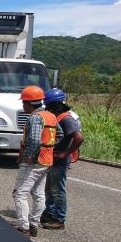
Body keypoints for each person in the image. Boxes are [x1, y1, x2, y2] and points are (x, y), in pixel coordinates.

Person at [13, 86, 57, 238]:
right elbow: (60, 135)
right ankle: (33, 225)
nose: (23, 106)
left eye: (24, 102)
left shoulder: (35, 118)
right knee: (38, 193)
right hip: (47, 159)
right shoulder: (50, 116)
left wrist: (29, 156)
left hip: (34, 161)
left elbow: (35, 139)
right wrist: (49, 148)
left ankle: (23, 227)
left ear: (28, 103)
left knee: (20, 194)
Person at [41, 88, 84, 230]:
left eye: (49, 105)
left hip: (60, 159)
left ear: (57, 104)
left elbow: (79, 138)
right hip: (53, 157)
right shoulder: (58, 116)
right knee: (49, 188)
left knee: (57, 190)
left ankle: (59, 219)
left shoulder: (66, 119)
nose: (47, 108)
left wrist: (65, 153)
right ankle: (49, 213)